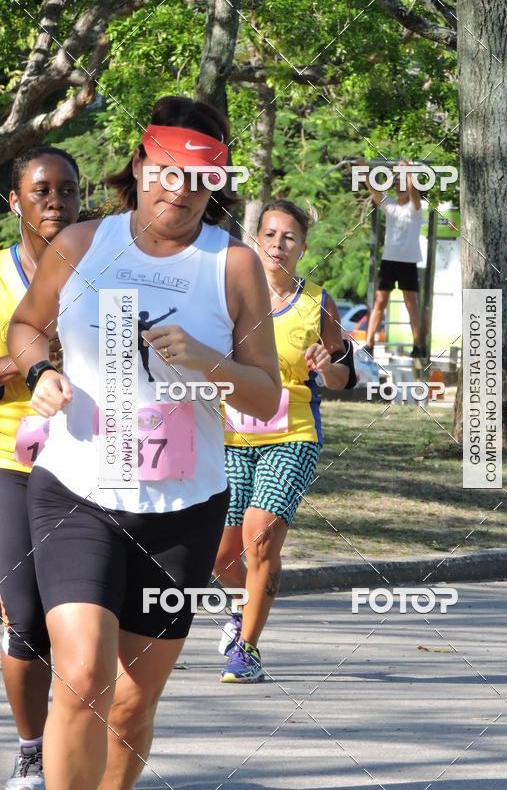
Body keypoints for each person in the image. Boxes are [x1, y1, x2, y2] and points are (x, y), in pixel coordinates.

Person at [8, 95, 280, 790]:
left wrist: (207, 361)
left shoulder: (235, 266)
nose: (180, 191)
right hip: (78, 494)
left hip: (182, 510)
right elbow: (28, 326)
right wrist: (40, 371)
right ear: (139, 165)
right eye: (165, 171)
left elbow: (263, 396)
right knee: (85, 677)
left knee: (131, 704)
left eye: (198, 178)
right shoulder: (82, 245)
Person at [214, 199, 357, 683]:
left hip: (291, 435)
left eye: (289, 237)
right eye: (270, 235)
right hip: (231, 436)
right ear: (255, 240)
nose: (278, 245)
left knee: (260, 538)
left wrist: (326, 364)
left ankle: (247, 649)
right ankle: (243, 607)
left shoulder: (319, 303)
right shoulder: (230, 295)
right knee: (220, 556)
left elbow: (345, 378)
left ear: (303, 247)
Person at [0, 145, 81, 789]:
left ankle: (73, 743)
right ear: (16, 202)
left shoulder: (97, 273)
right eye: (42, 190)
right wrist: (20, 369)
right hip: (10, 463)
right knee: (25, 618)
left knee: (81, 619)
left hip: (85, 463)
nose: (56, 201)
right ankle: (31, 747)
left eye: (67, 191)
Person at [362, 159, 424, 357]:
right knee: (380, 301)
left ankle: (418, 345)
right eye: (397, 183)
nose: (400, 186)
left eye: (402, 183)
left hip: (408, 262)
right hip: (389, 261)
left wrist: (409, 171)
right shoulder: (389, 205)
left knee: (411, 303)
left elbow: (414, 190)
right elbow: (374, 191)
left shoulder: (415, 208)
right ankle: (369, 343)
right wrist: (364, 170)